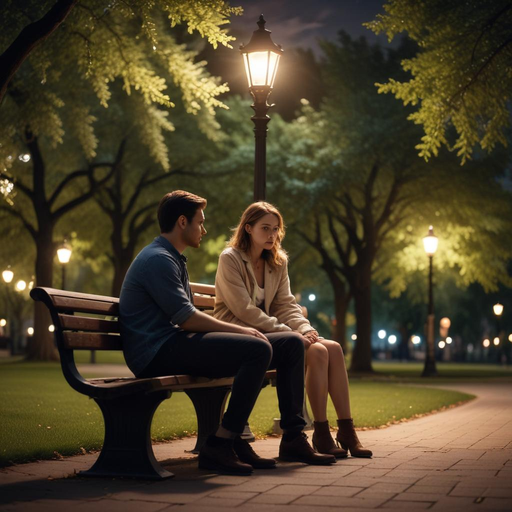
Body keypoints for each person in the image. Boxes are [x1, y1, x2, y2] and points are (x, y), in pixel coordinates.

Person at [119, 191, 334, 476]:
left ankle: (293, 437)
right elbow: (186, 318)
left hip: (172, 343)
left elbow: (185, 318)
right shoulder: (158, 260)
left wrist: (260, 331)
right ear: (182, 222)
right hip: (155, 351)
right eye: (200, 222)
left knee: (291, 343)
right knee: (256, 348)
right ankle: (222, 442)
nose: (204, 230)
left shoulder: (172, 258)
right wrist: (243, 330)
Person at [214, 202, 372, 459]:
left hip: (269, 333)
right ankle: (317, 434)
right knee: (314, 350)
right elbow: (243, 310)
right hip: (240, 333)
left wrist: (306, 329)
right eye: (265, 228)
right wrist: (292, 334)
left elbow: (285, 304)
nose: (272, 235)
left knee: (330, 347)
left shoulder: (277, 262)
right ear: (248, 228)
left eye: (276, 229)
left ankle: (343, 431)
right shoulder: (230, 259)